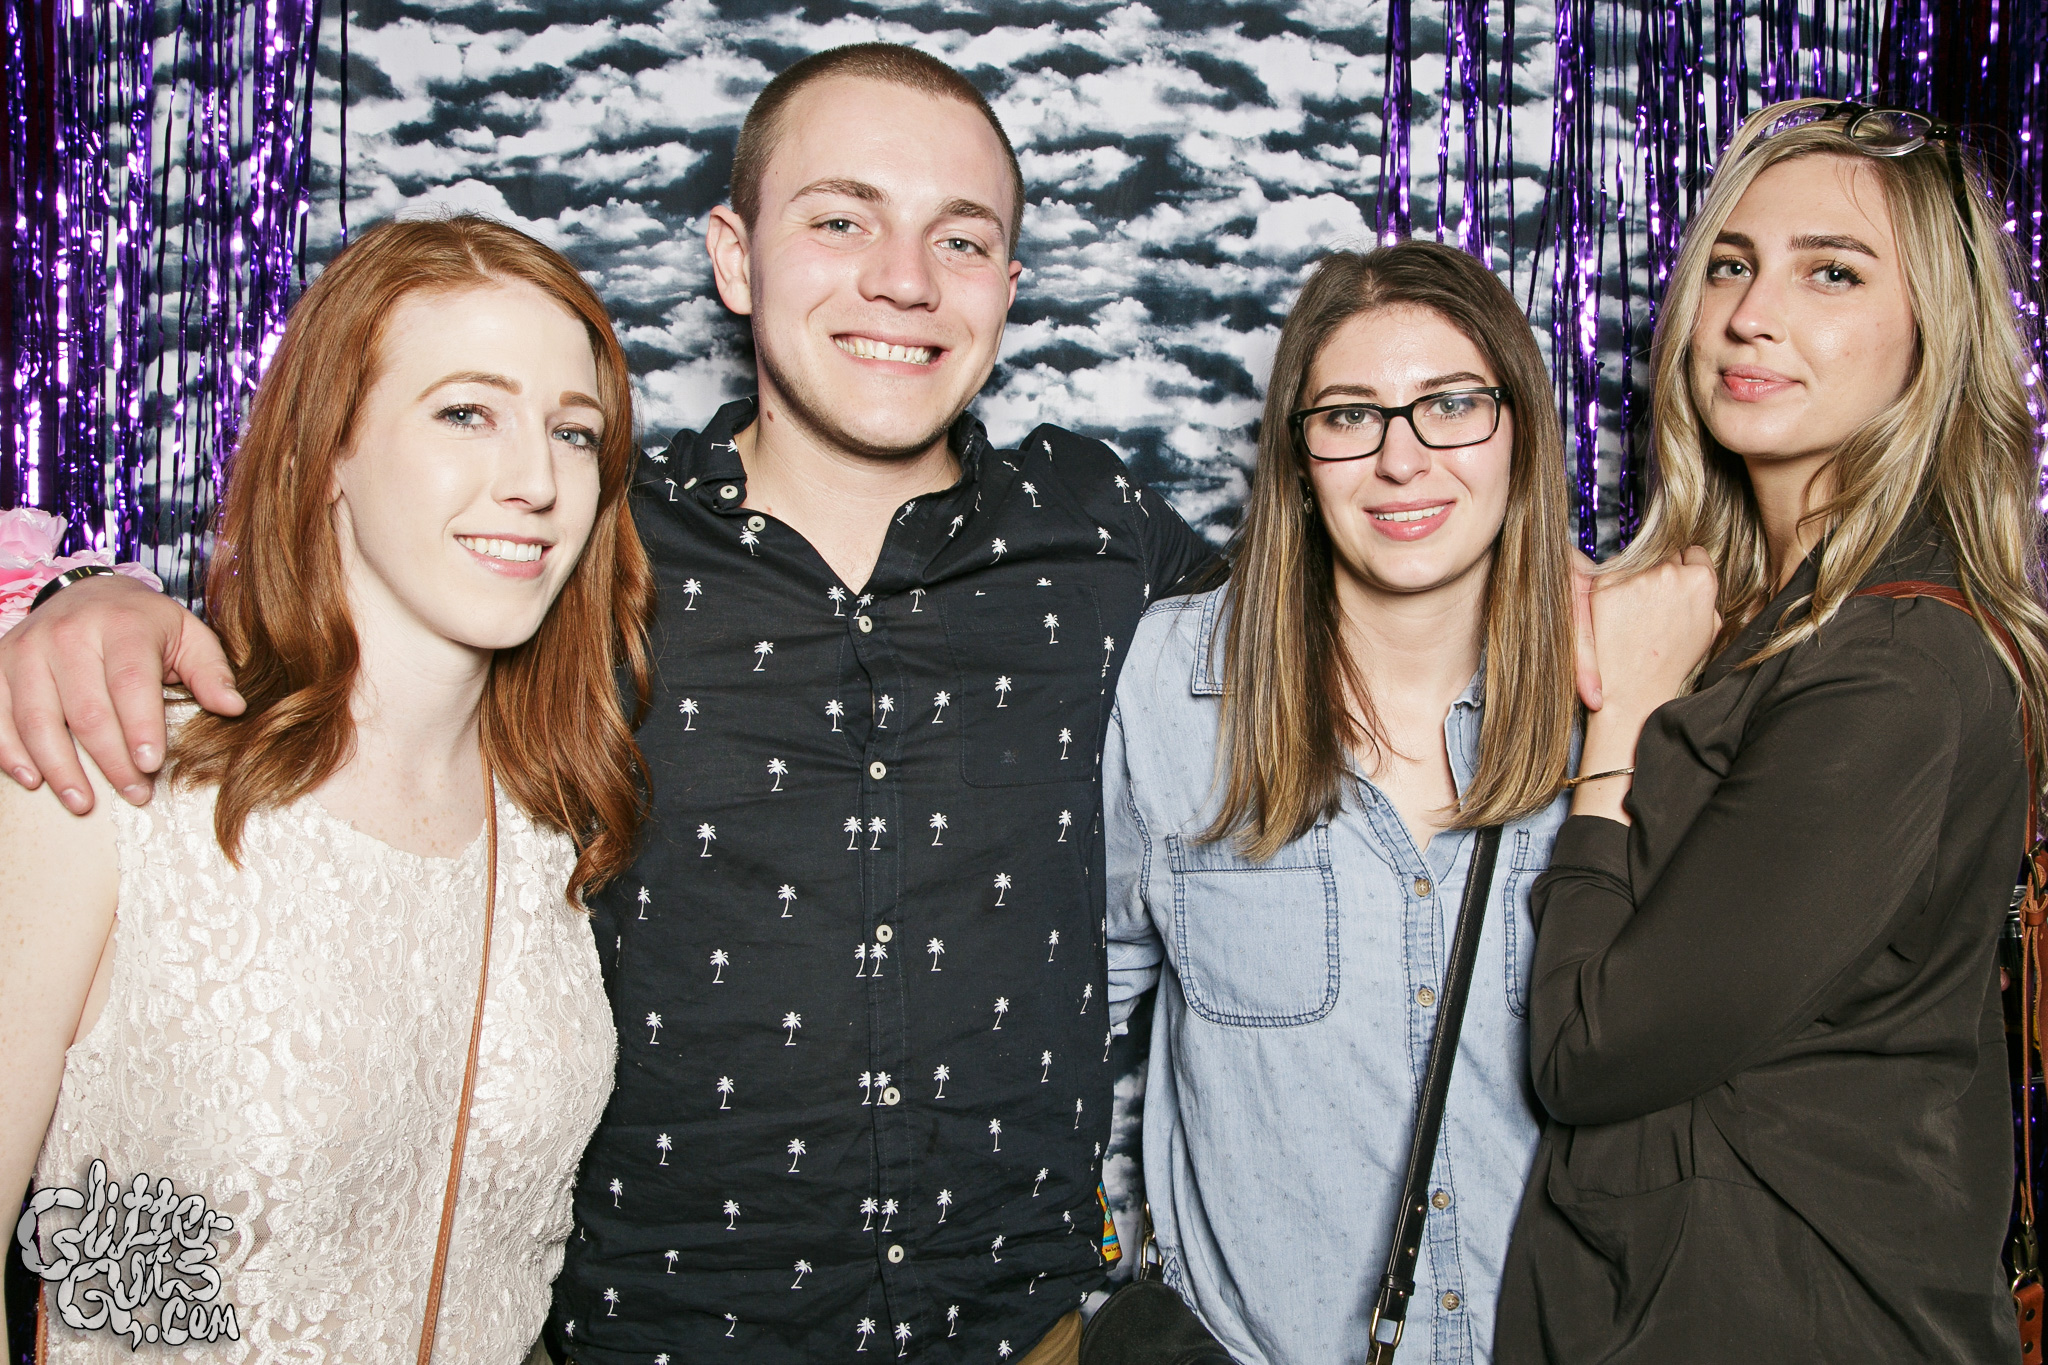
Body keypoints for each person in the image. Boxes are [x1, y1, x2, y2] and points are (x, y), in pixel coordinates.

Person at [0, 44, 1218, 1364]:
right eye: (840, 220)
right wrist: (72, 595)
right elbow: (333, 634)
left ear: (1008, 286)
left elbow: (1326, 642)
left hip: (1019, 1335)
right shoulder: (598, 556)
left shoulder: (1095, 531)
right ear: (734, 258)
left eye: (960, 239)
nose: (904, 278)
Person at [0, 214, 654, 1360]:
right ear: (326, 454)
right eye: (466, 412)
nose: (536, 480)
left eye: (572, 431)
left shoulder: (547, 828)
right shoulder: (112, 782)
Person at [1494, 97, 2047, 1362]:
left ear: (1930, 336)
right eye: (1729, 265)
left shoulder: (1894, 665)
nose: (1751, 314)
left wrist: (1619, 727)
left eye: (1830, 273)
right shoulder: (1753, 617)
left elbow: (1586, 1052)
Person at [1105, 241, 1578, 1364]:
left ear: (1519, 429)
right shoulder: (1169, 686)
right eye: (1351, 416)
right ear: (1298, 454)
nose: (1401, 459)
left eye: (1450, 405)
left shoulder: (1622, 694)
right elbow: (1064, 1018)